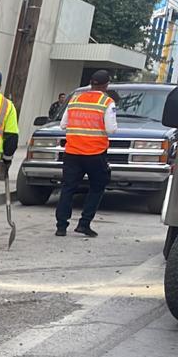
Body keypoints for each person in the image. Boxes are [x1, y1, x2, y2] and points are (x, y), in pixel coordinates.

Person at [55, 70, 118, 238]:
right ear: (106, 85)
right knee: (97, 187)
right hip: (95, 153)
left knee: (68, 188)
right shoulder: (107, 102)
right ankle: (84, 224)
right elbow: (111, 129)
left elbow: (63, 125)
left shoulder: (75, 99)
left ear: (91, 82)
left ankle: (61, 227)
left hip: (72, 152)